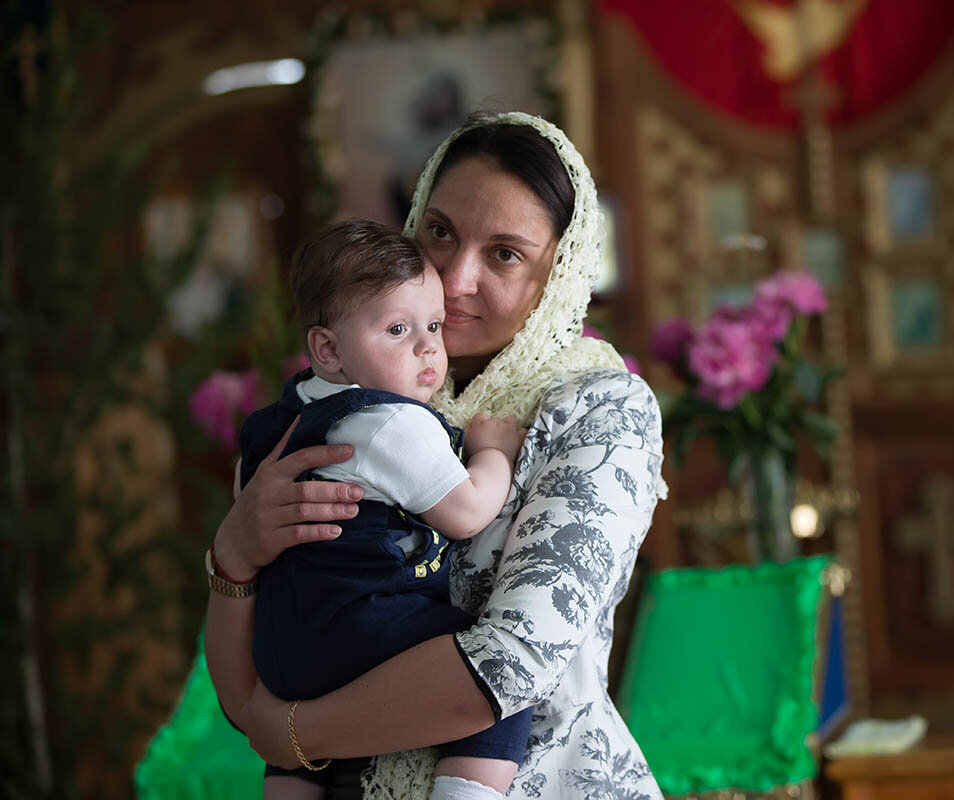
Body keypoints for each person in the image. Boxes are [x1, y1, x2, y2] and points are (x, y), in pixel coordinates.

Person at [205, 111, 667, 799]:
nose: (453, 280)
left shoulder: (600, 412)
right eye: (440, 232)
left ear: (559, 277)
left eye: (504, 254)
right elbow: (255, 687)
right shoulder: (353, 398)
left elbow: (513, 663)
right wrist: (233, 557)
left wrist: (300, 734)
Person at [234, 220, 532, 800]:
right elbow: (467, 511)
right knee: (495, 683)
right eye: (398, 329)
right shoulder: (393, 422)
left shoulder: (279, 420)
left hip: (279, 651)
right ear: (328, 349)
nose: (427, 347)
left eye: (433, 325)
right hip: (361, 632)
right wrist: (492, 452)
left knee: (298, 757)